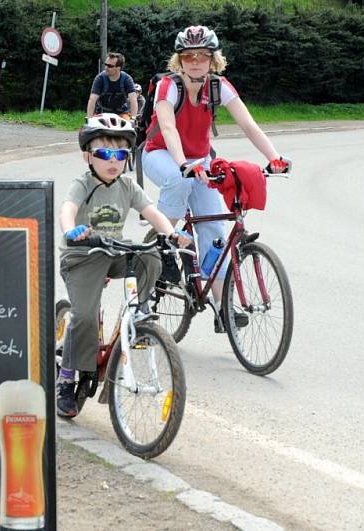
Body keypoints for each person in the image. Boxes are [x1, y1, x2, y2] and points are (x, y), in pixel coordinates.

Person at [140, 25, 288, 326]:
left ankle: (223, 308)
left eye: (202, 56)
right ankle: (165, 246)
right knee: (179, 180)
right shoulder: (169, 86)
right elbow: (167, 128)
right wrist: (183, 164)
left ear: (212, 59)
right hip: (161, 154)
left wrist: (273, 157)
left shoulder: (219, 87)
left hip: (200, 160)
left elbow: (248, 124)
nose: (195, 62)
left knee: (216, 234)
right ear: (179, 60)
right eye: (189, 56)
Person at [57, 113, 191, 417]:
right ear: (88, 155)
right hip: (82, 257)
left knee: (149, 255)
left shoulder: (128, 186)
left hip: (112, 251)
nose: (112, 160)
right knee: (85, 317)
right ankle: (66, 380)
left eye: (120, 154)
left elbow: (152, 211)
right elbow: (68, 210)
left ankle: (138, 311)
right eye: (104, 153)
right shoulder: (83, 183)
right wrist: (70, 230)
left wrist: (171, 234)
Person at [86, 53, 139, 119]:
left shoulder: (127, 79)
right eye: (105, 64)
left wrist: (133, 119)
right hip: (102, 113)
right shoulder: (100, 78)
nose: (106, 68)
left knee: (128, 126)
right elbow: (92, 99)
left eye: (110, 66)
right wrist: (89, 119)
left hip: (122, 114)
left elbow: (133, 99)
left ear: (118, 68)